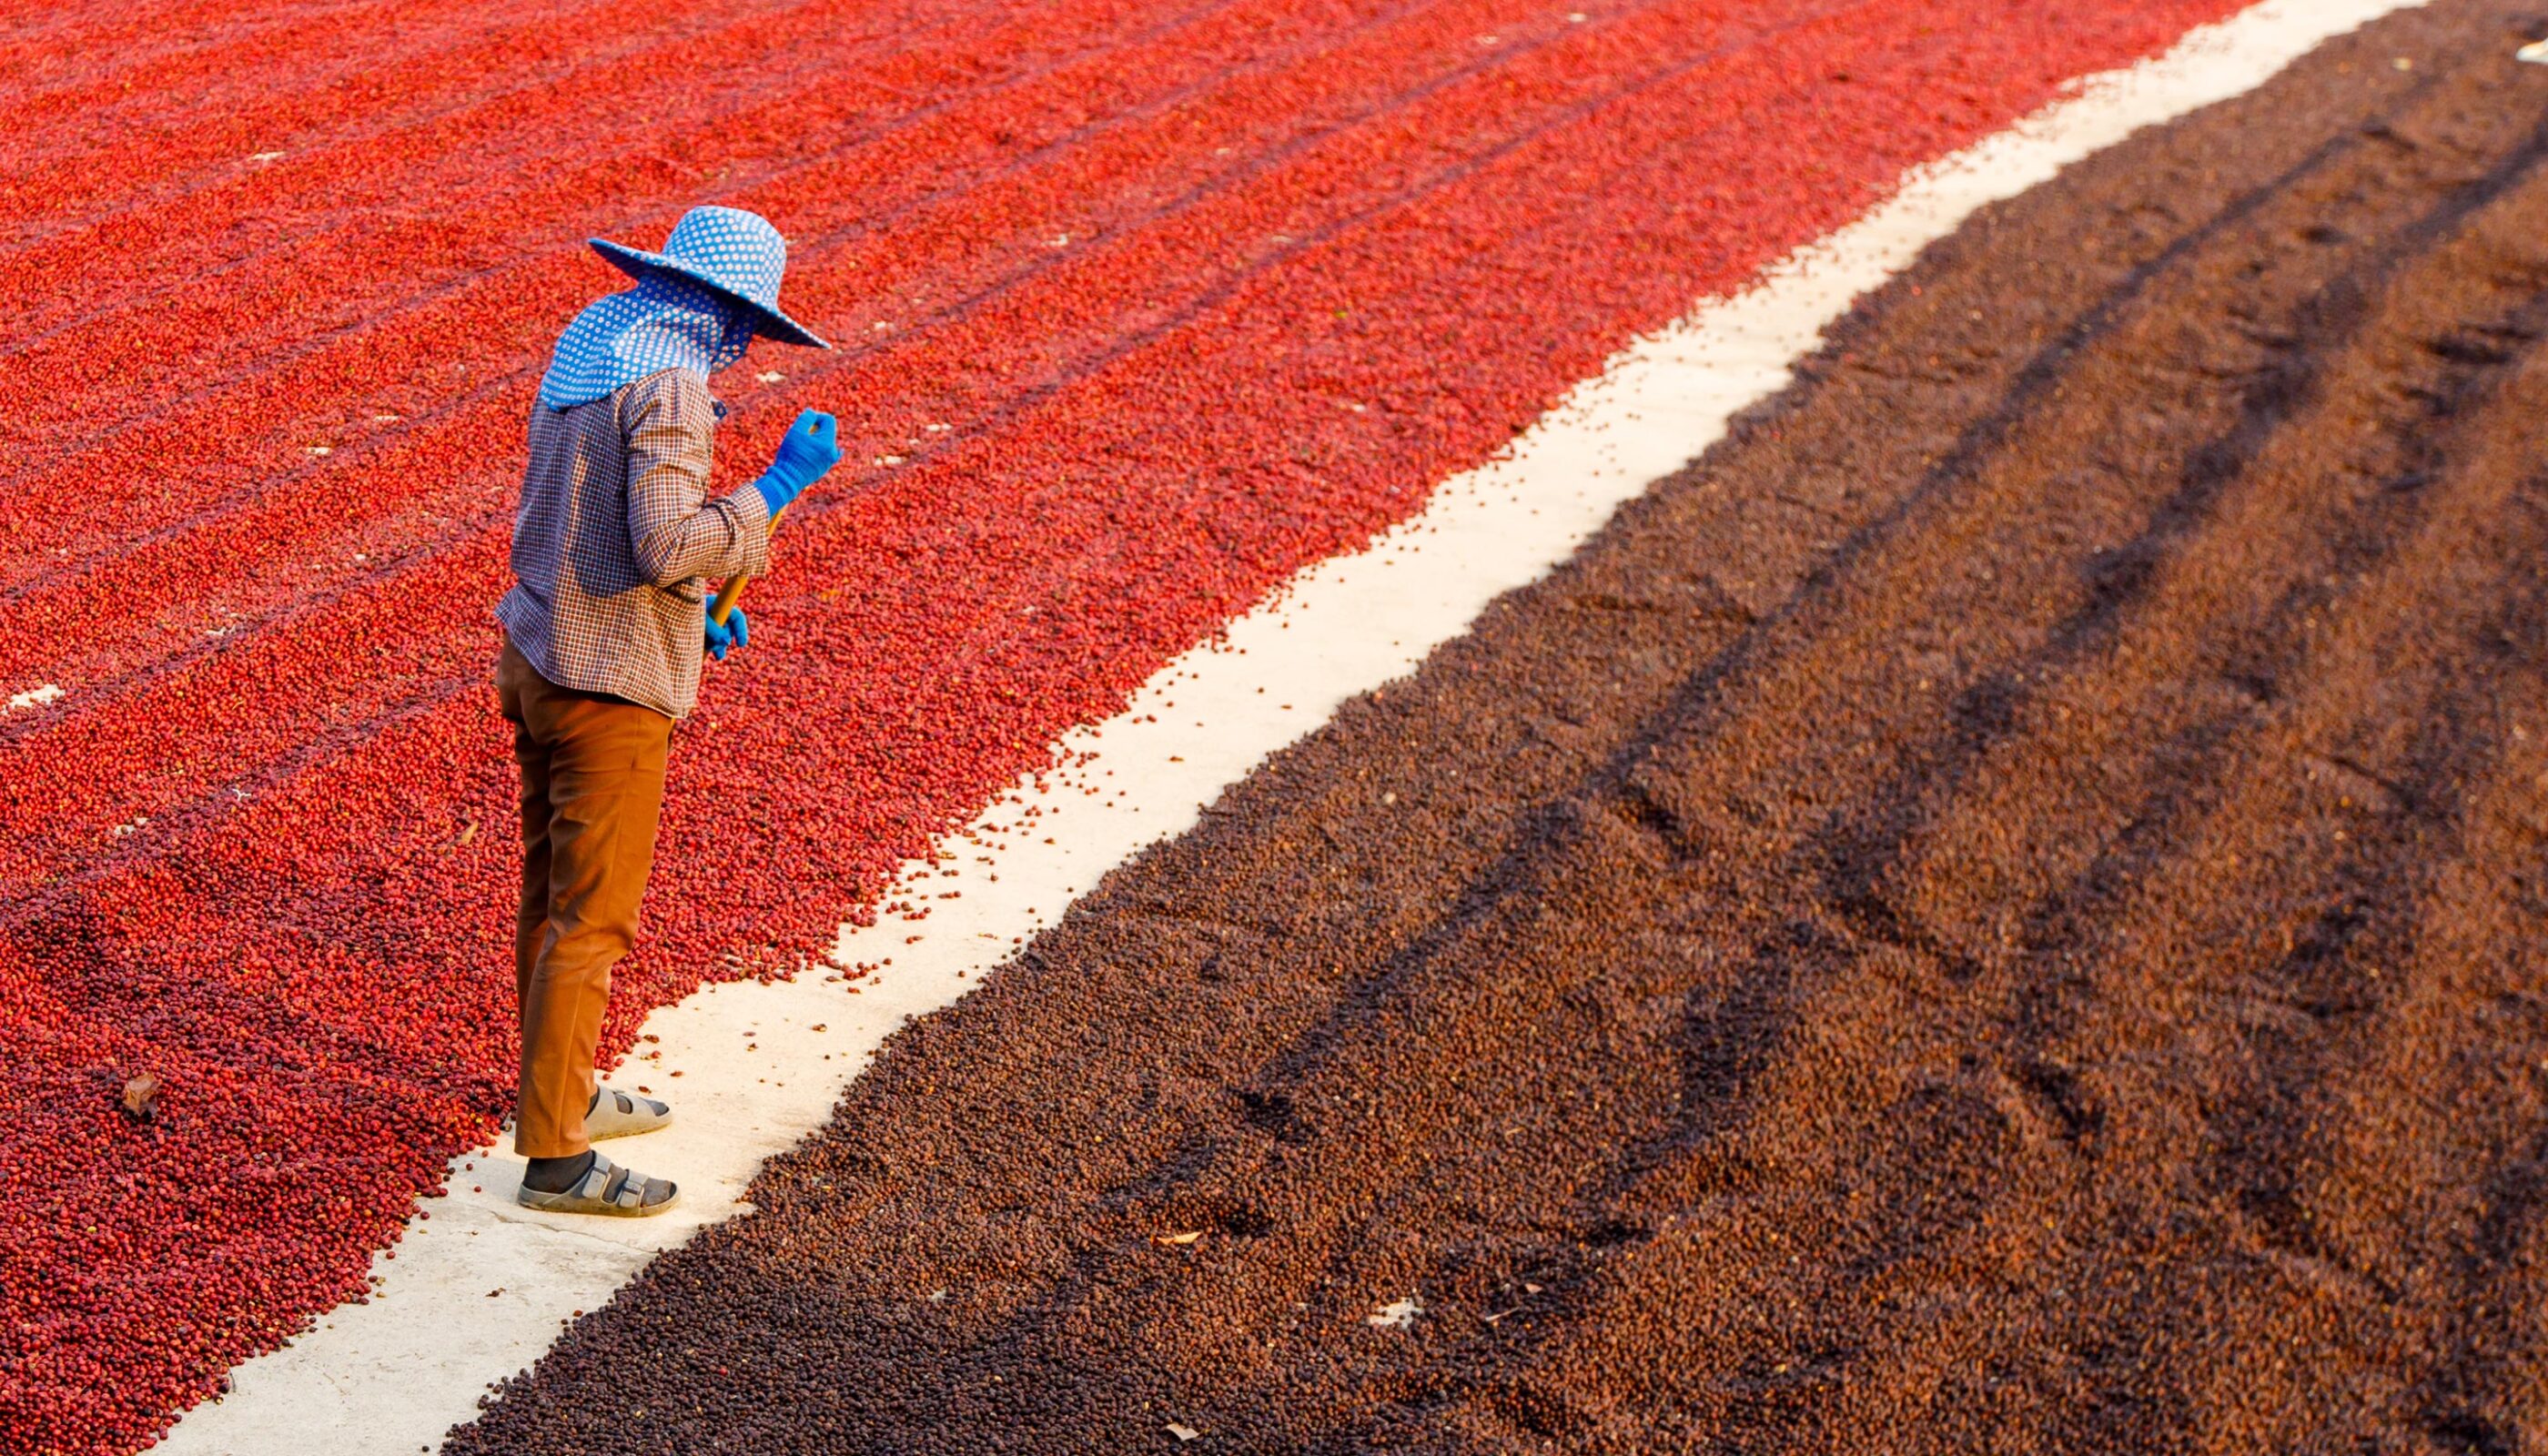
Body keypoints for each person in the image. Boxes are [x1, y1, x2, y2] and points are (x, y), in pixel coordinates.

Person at [494, 205, 839, 1216]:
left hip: (538, 649)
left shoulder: (588, 347)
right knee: (591, 921)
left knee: (548, 895)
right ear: (729, 310)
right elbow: (666, 547)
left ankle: (562, 1093)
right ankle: (557, 1160)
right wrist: (774, 490)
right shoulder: (675, 387)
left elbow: (583, 520)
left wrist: (689, 620)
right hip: (608, 689)